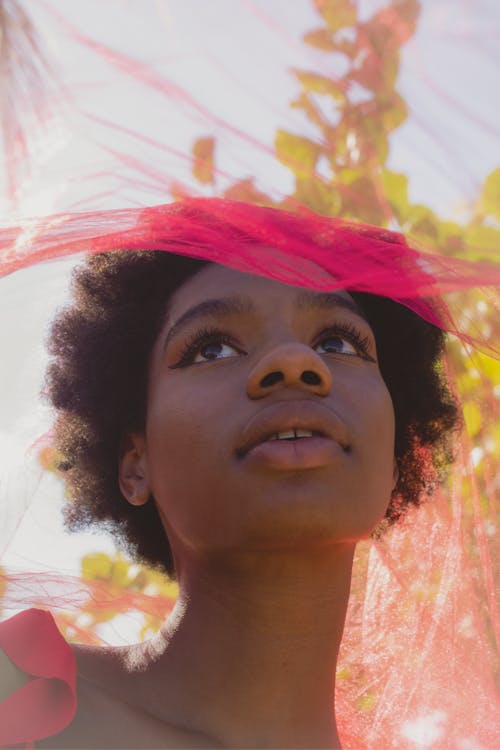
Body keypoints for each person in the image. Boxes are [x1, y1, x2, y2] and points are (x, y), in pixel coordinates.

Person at [0, 199, 499, 748]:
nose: (293, 361)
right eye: (211, 347)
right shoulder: (12, 693)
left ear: (398, 451)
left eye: (338, 342)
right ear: (134, 462)